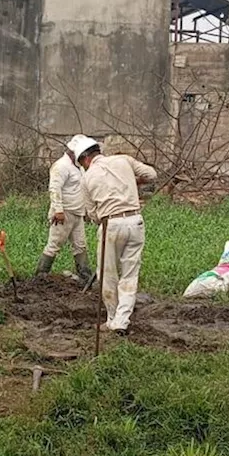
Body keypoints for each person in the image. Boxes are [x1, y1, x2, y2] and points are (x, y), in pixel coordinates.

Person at [74, 136, 156, 335]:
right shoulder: (123, 160)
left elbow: (92, 214)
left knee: (107, 274)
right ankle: (122, 321)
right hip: (135, 221)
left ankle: (112, 318)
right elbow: (151, 174)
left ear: (85, 159)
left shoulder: (87, 177)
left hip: (110, 224)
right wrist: (134, 181)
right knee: (130, 274)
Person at [34, 135, 95, 284]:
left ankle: (85, 274)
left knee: (80, 245)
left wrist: (86, 210)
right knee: (54, 244)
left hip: (77, 212)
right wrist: (58, 210)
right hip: (64, 212)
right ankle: (40, 276)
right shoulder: (61, 166)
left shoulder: (79, 167)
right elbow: (54, 189)